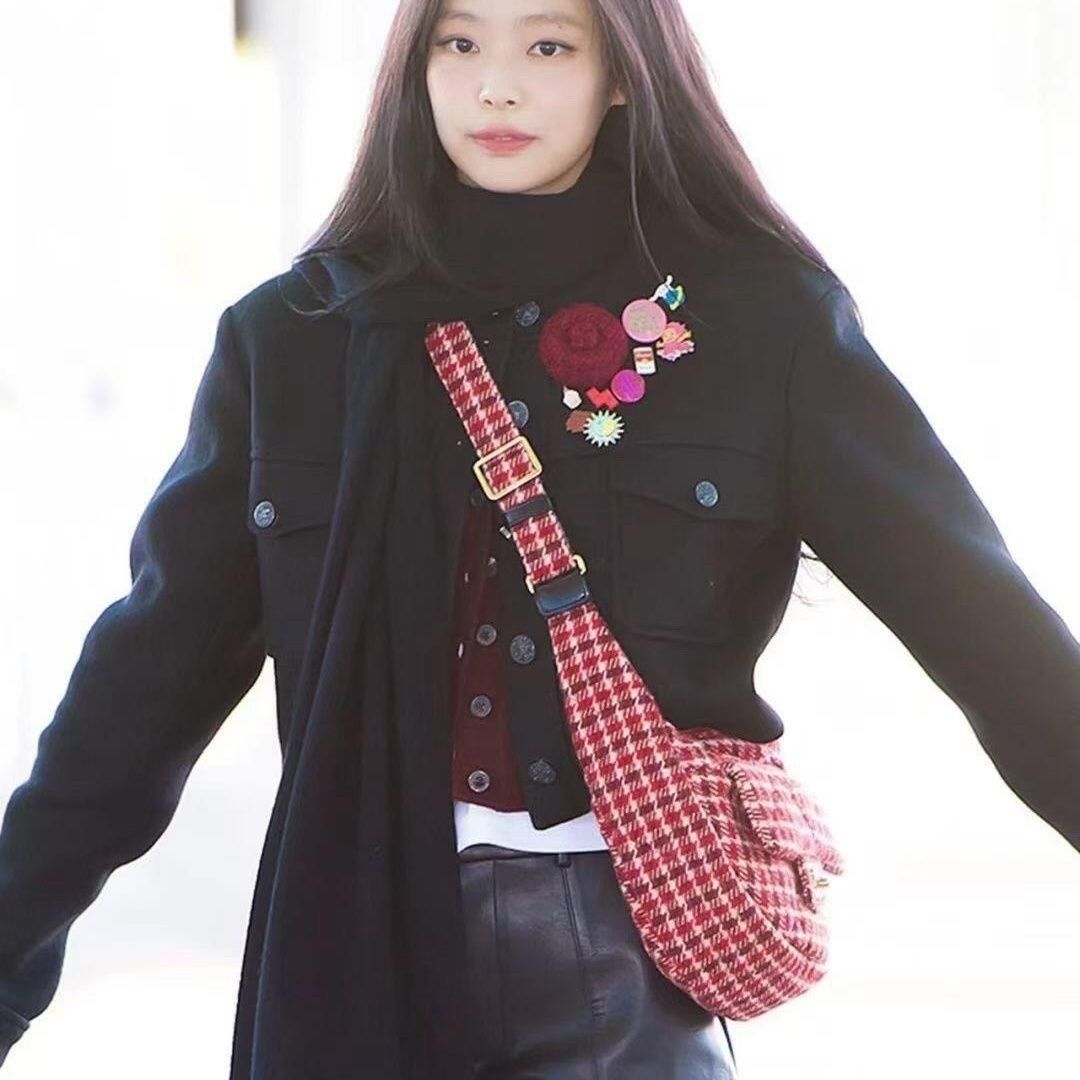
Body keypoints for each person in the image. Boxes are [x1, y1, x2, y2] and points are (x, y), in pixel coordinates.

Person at [1, 0, 1077, 1076]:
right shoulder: (291, 341)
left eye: (548, 45)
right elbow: (137, 695)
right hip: (355, 960)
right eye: (459, 43)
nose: (497, 85)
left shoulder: (757, 324)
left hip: (629, 960)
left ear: (625, 71)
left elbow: (986, 630)